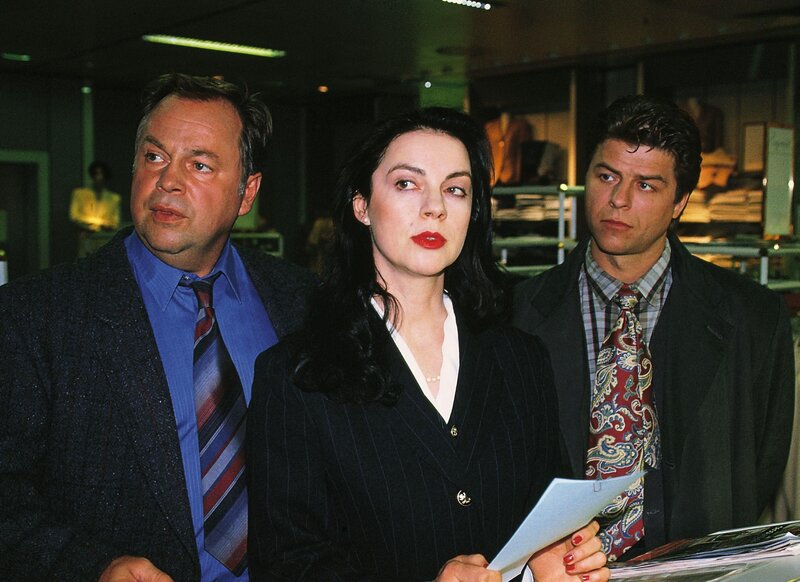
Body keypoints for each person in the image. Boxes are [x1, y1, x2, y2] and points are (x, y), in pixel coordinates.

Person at [247, 107, 609, 581]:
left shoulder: (521, 358)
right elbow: (288, 564)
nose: (434, 207)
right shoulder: (298, 375)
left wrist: (556, 555)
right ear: (361, 205)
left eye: (455, 189)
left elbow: (547, 514)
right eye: (407, 184)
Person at [0, 74, 314, 581]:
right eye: (154, 156)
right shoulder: (36, 317)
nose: (167, 180)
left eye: (199, 164)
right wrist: (92, 567)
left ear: (247, 192)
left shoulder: (302, 303)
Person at [513, 95, 794, 560]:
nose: (618, 200)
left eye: (646, 185)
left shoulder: (753, 317)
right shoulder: (516, 312)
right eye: (607, 176)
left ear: (679, 201)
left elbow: (760, 462)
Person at [70, 160, 122, 256]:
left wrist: (93, 223)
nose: (99, 177)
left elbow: (115, 223)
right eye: (96, 174)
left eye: (102, 174)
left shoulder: (114, 198)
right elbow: (75, 217)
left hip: (104, 243)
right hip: (85, 241)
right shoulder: (79, 194)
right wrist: (100, 222)